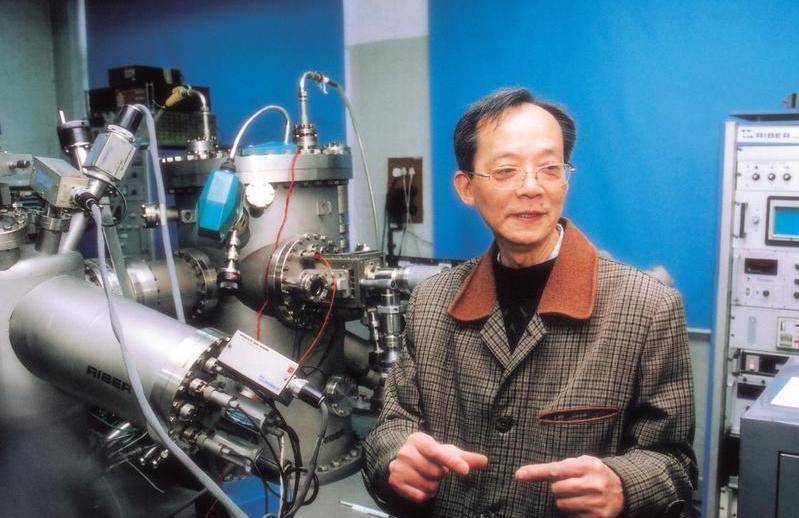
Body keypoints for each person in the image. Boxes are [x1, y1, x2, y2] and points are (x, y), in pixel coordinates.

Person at [361, 87, 697, 517]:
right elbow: (392, 426)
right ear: (466, 187)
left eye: (549, 168)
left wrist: (623, 485)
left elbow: (675, 462)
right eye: (506, 171)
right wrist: (395, 459)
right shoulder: (431, 303)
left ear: (565, 179)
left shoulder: (647, 308)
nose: (531, 188)